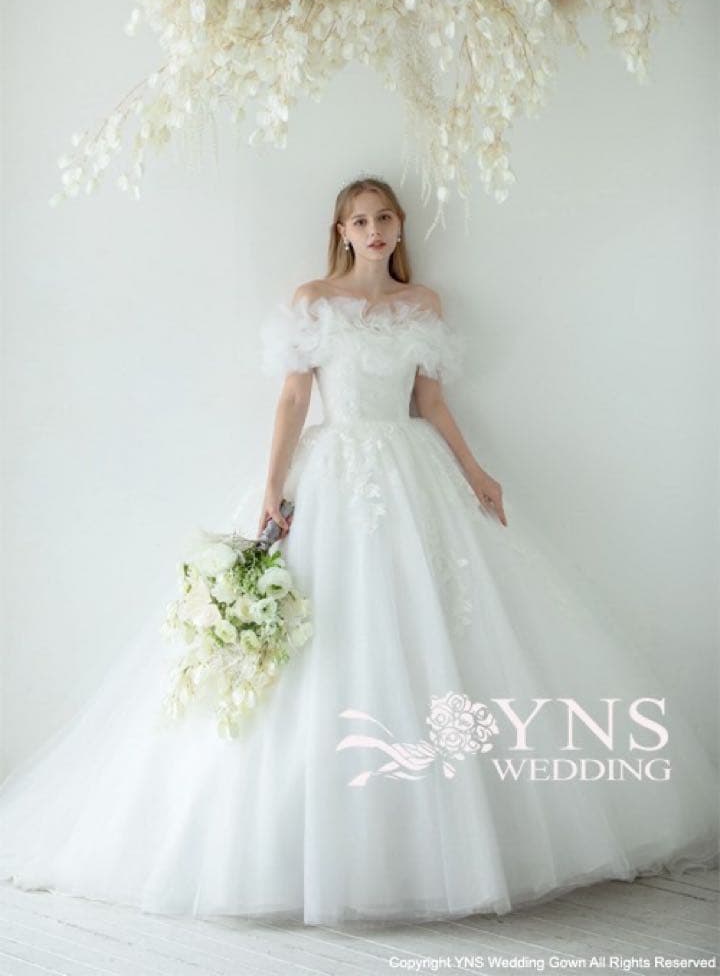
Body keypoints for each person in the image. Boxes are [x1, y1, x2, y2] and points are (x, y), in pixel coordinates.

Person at [0, 176, 717, 927]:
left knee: (431, 626)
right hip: (333, 472)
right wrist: (272, 486)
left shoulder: (424, 304)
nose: (373, 230)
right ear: (341, 232)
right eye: (359, 221)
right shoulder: (314, 299)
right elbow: (293, 398)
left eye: (384, 218)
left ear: (400, 228)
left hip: (412, 471)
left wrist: (476, 474)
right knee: (326, 634)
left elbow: (430, 402)